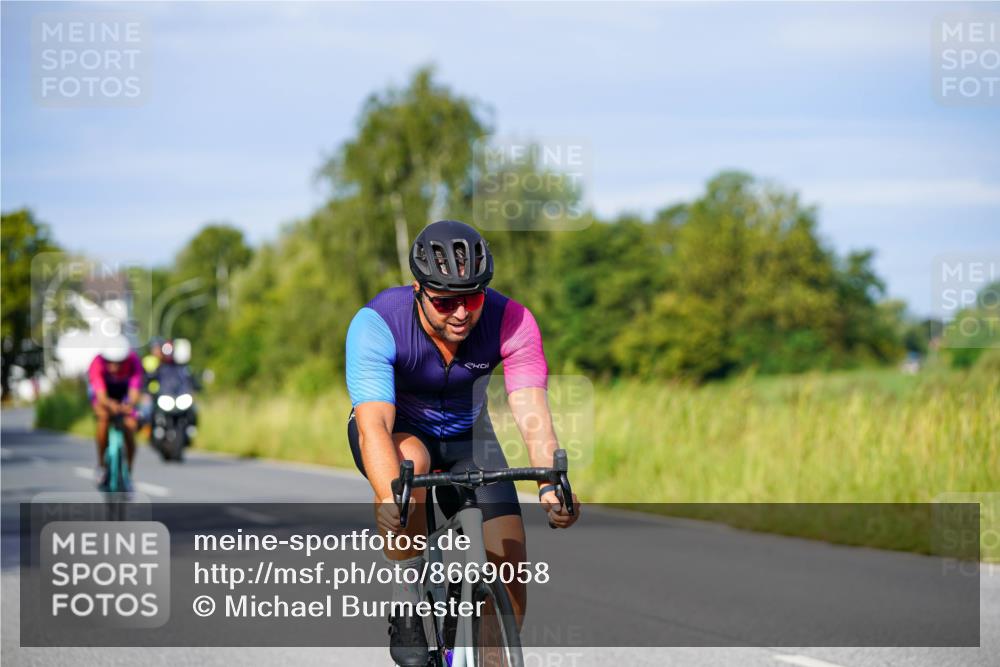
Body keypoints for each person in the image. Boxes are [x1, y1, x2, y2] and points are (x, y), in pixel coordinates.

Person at [345, 219, 581, 667]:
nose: (460, 313)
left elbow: (532, 413)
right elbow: (373, 422)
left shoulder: (512, 320)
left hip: (470, 436)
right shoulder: (378, 323)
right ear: (418, 289)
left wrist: (551, 486)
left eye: (472, 298)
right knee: (407, 465)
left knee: (510, 573)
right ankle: (408, 591)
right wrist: (386, 496)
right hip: (399, 433)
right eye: (445, 301)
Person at [88, 335, 143, 491]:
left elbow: (134, 392)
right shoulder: (97, 363)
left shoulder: (134, 361)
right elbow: (101, 396)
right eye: (110, 362)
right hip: (104, 396)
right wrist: (110, 405)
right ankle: (101, 465)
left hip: (124, 395)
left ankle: (129, 474)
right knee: (103, 419)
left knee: (130, 426)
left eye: (119, 363)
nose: (114, 367)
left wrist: (129, 405)